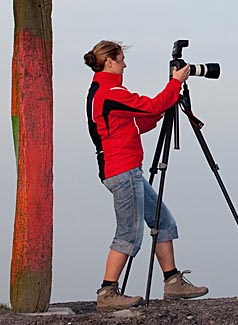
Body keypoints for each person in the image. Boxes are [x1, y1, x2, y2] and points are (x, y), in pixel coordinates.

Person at [84, 40, 209, 310]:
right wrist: (175, 84)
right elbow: (149, 107)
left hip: (127, 170)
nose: (124, 64)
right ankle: (107, 292)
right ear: (109, 62)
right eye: (120, 59)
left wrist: (165, 105)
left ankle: (172, 281)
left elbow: (138, 121)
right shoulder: (110, 92)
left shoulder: (104, 91)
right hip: (122, 171)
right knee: (129, 233)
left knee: (163, 221)